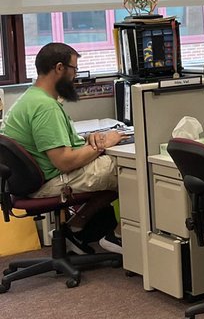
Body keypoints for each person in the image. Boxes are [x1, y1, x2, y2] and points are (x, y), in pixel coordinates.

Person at [0, 43, 123, 253]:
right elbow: (64, 161)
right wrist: (104, 144)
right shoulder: (46, 107)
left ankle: (75, 227)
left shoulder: (30, 98)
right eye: (73, 69)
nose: (75, 76)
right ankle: (117, 235)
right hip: (49, 183)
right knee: (130, 169)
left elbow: (58, 145)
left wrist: (89, 140)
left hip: (27, 184)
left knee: (116, 169)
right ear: (59, 68)